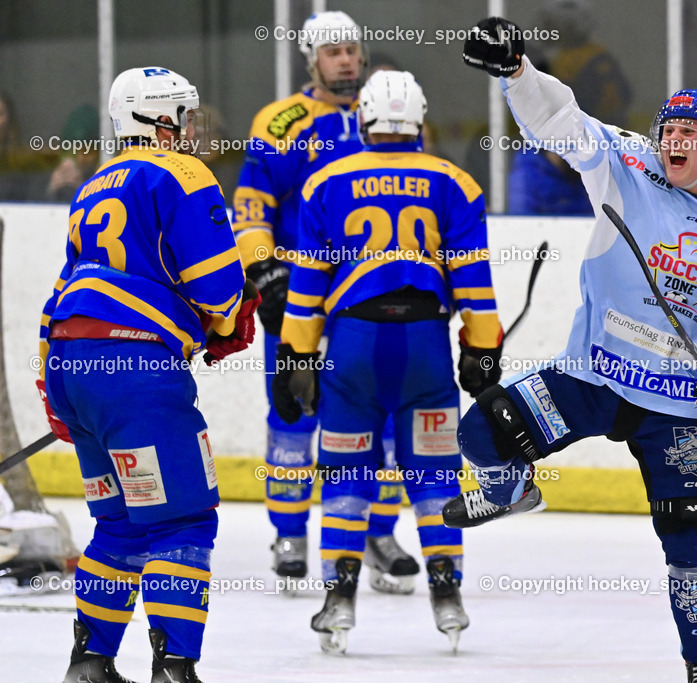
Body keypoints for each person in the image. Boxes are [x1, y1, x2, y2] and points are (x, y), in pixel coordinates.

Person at [448, 18, 697, 683]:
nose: (674, 139)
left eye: (692, 133)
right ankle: (511, 487)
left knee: (694, 542)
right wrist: (517, 71)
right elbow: (563, 122)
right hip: (592, 377)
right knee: (482, 429)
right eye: (670, 128)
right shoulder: (626, 162)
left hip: (679, 409)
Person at [38, 66, 259, 683]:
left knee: (119, 524)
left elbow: (67, 288)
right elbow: (217, 282)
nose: (192, 128)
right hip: (135, 371)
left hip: (70, 363)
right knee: (181, 519)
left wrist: (55, 386)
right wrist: (226, 320)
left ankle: (90, 665)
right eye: (184, 115)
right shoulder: (183, 170)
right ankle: (173, 669)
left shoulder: (94, 184)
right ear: (160, 120)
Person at [273, 69, 503, 654]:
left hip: (354, 347)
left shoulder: (325, 180)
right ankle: (447, 596)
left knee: (349, 475)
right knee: (434, 476)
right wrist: (481, 348)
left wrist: (294, 354)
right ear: (420, 121)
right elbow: (474, 281)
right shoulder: (457, 182)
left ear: (363, 120)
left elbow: (307, 283)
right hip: (425, 344)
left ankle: (340, 602)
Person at [233, 10, 417, 591]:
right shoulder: (284, 121)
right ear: (311, 59)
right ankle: (289, 533)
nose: (346, 59)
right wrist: (264, 271)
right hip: (302, 296)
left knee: (383, 418)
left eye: (352, 49)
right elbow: (253, 202)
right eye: (333, 51)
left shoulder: (386, 112)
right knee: (295, 412)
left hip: (370, 295)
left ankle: (377, 532)